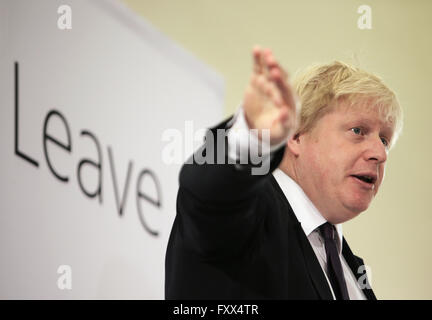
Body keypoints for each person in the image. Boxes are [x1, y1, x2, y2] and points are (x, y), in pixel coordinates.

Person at [165, 46, 403, 299]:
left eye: (385, 140)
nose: (380, 153)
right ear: (296, 135)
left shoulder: (352, 271)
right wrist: (252, 138)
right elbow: (210, 195)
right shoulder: (249, 219)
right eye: (358, 130)